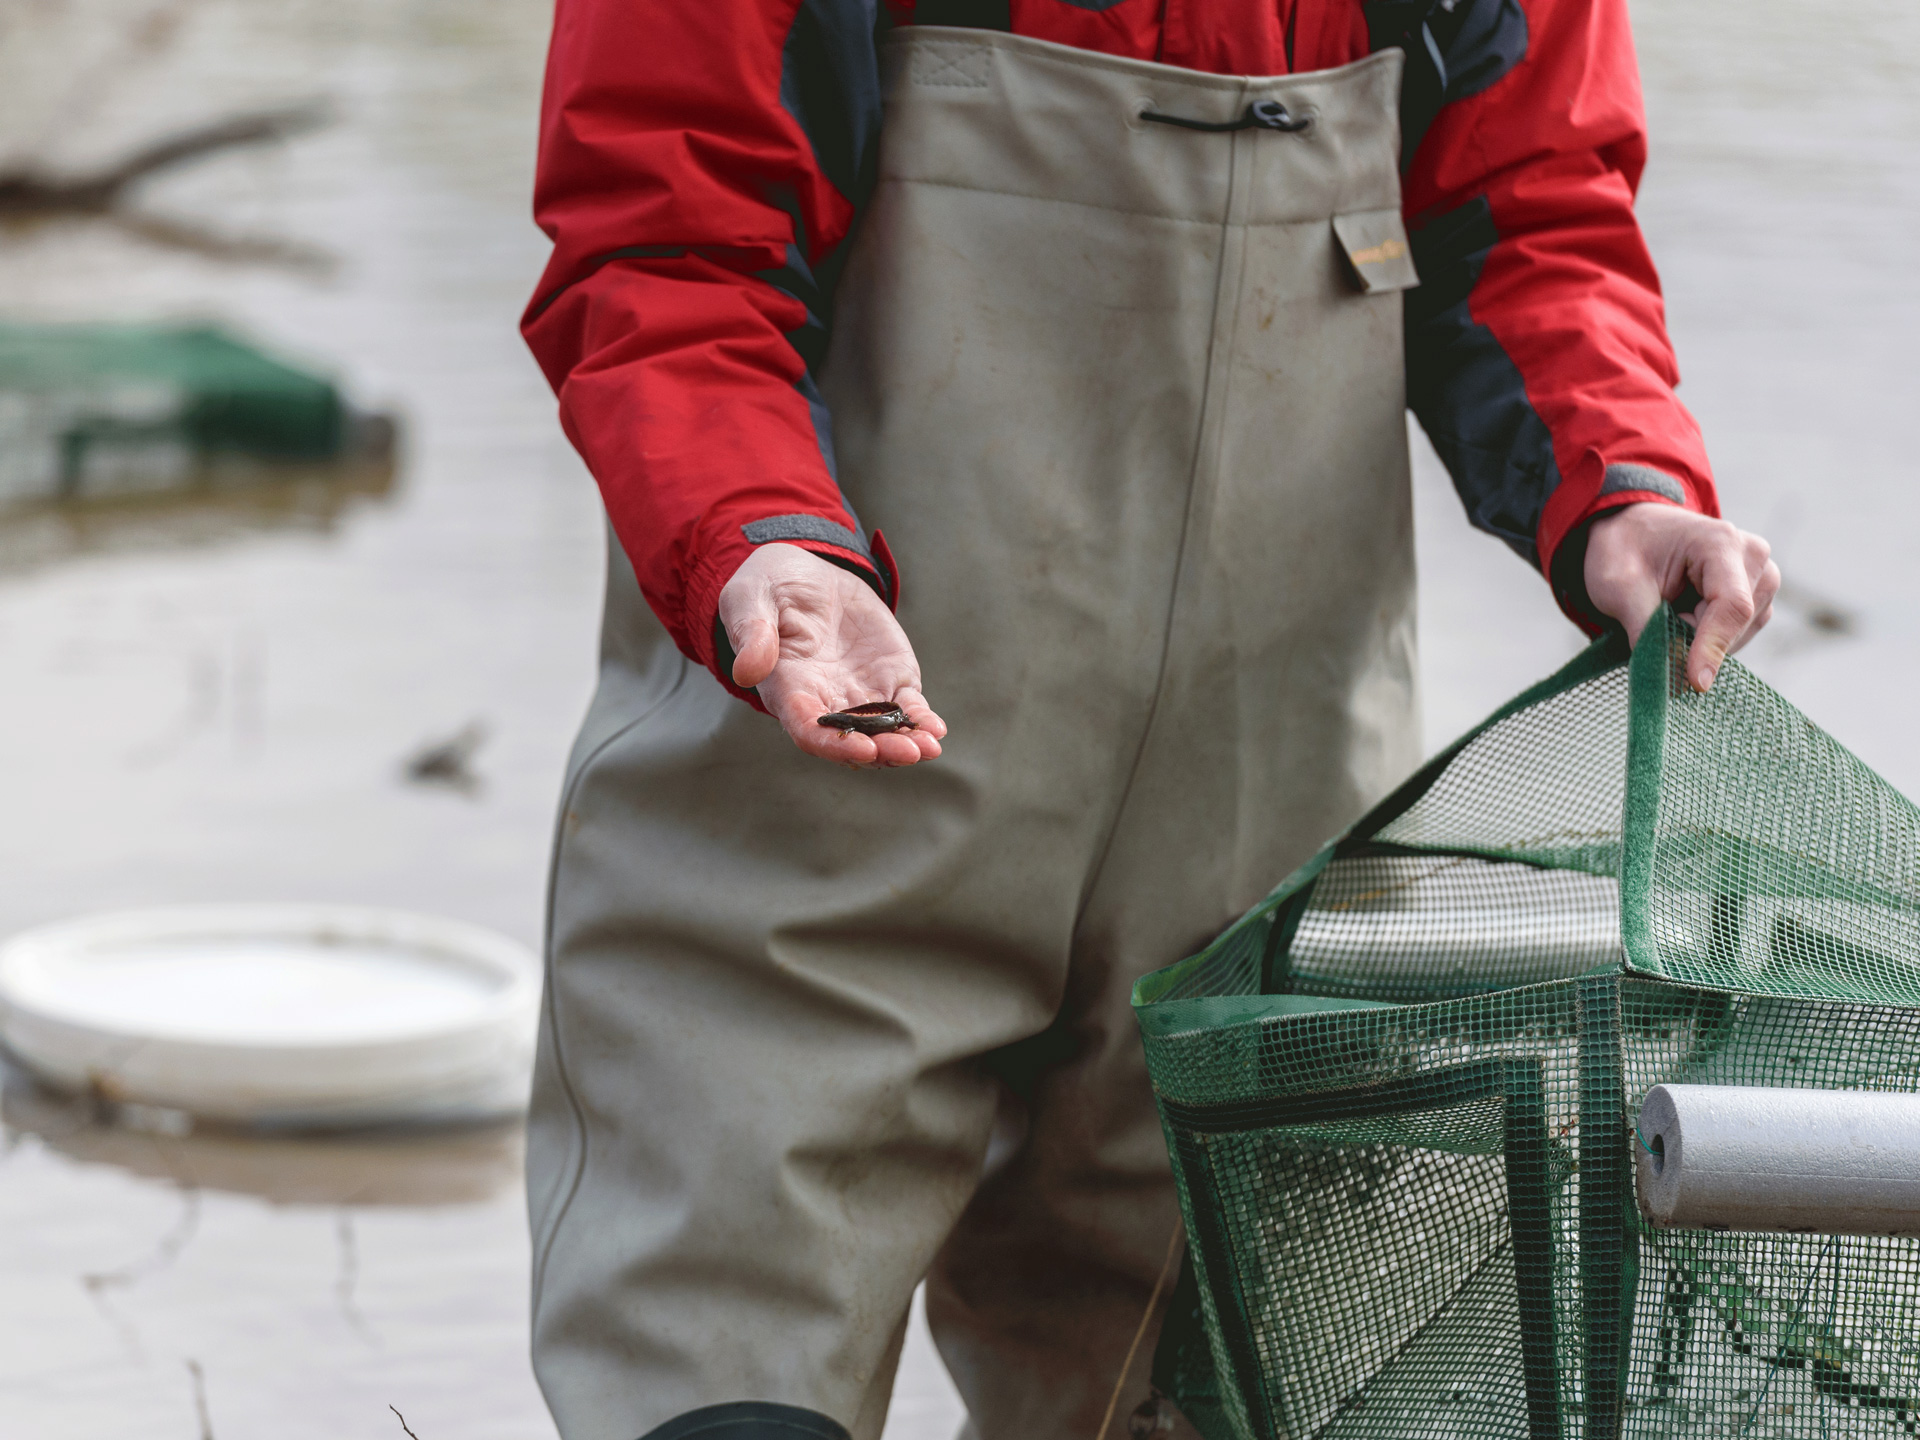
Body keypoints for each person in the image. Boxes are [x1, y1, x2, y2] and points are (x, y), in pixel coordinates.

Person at [520, 2, 1779, 1438]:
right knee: (726, 1363)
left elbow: (1533, 209)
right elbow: (668, 233)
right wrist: (761, 535)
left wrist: (1622, 485)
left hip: (1261, 846)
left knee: (1192, 1384)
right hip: (821, 772)